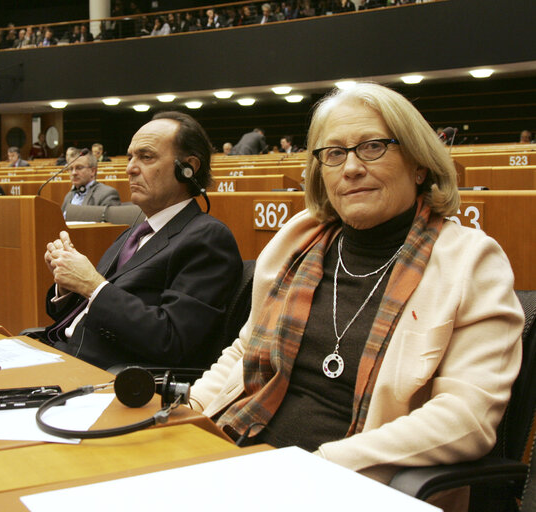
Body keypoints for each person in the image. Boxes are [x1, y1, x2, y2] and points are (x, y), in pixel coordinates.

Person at [188, 82, 523, 509]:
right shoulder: (297, 241)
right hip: (244, 452)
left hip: (354, 481)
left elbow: (465, 419)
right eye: (334, 153)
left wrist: (321, 466)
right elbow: (244, 351)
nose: (350, 168)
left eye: (372, 147)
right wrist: (189, 410)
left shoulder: (471, 262)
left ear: (420, 164)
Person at [40, 111, 242, 369]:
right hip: (60, 352)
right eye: (130, 157)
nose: (130, 168)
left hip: (106, 376)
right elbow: (91, 307)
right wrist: (68, 285)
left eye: (146, 157)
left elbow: (172, 340)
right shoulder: (135, 232)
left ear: (188, 168)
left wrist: (91, 284)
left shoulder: (208, 239)